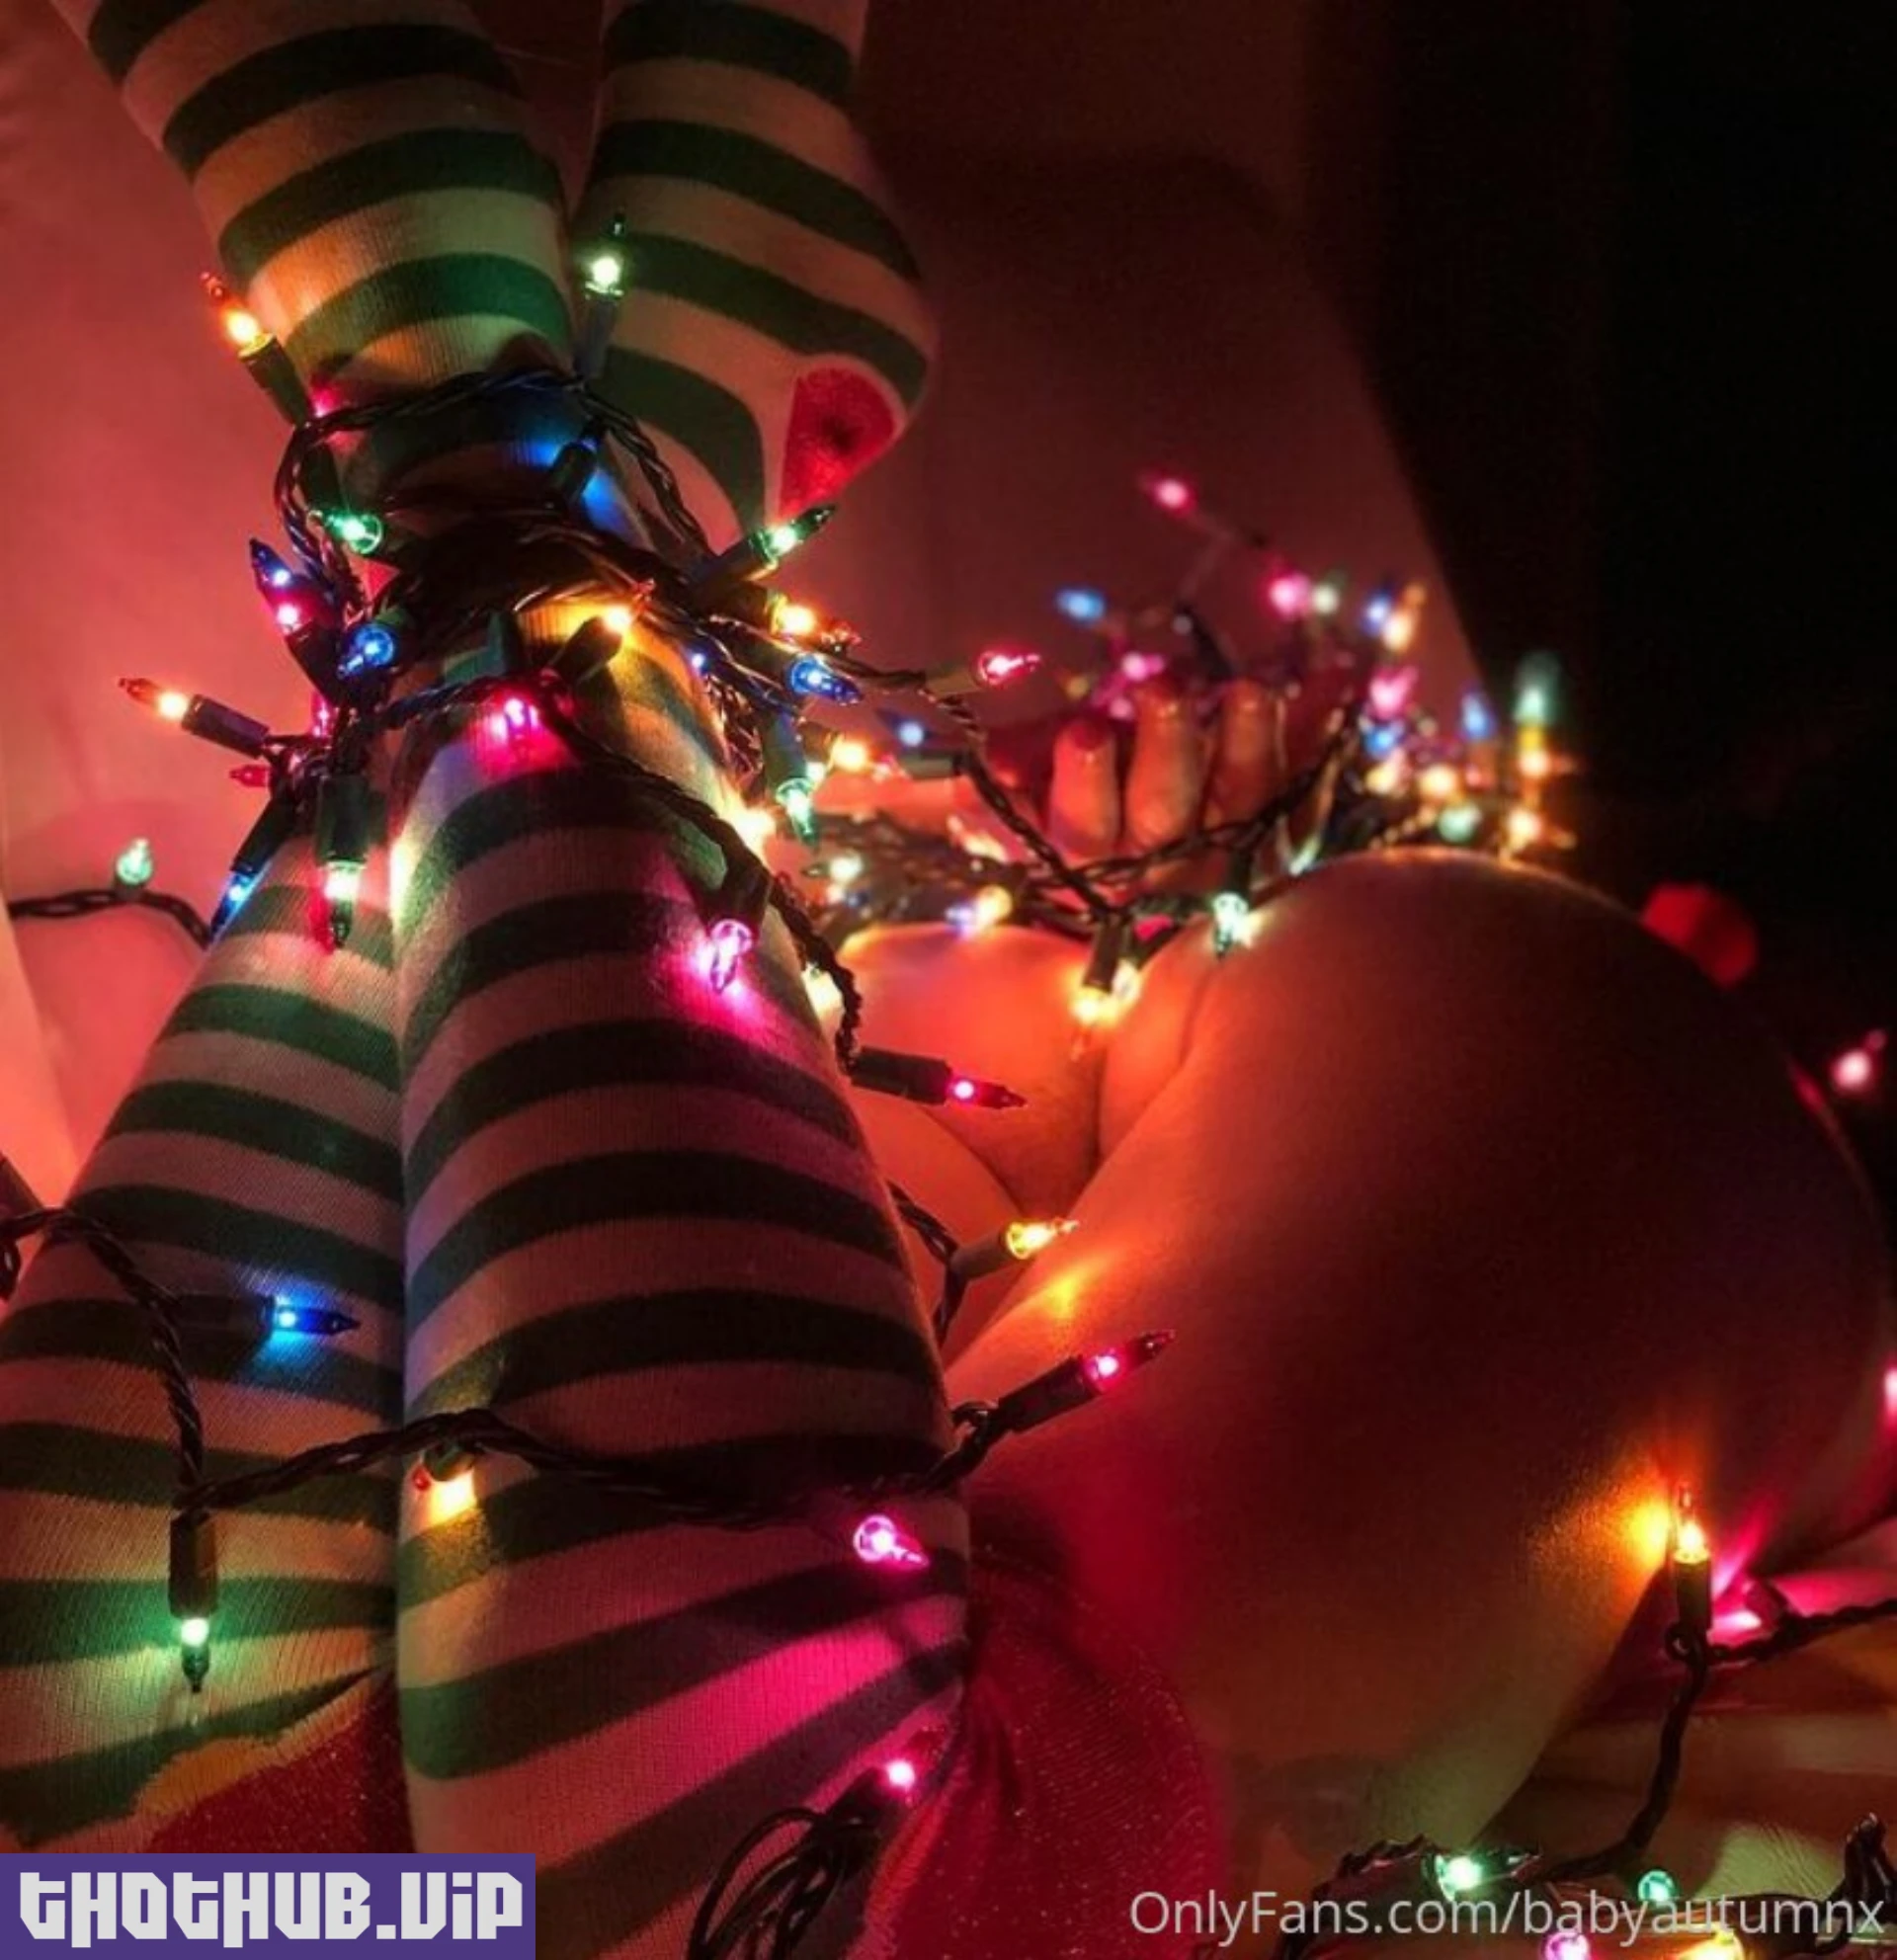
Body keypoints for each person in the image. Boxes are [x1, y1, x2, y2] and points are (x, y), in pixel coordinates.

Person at [0, 5, 1888, 1956]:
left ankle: (532, 474)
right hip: (1617, 1078)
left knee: (130, 1862)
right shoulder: (1658, 1071)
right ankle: (509, 473)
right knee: (824, 1893)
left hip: (1112, 1079)